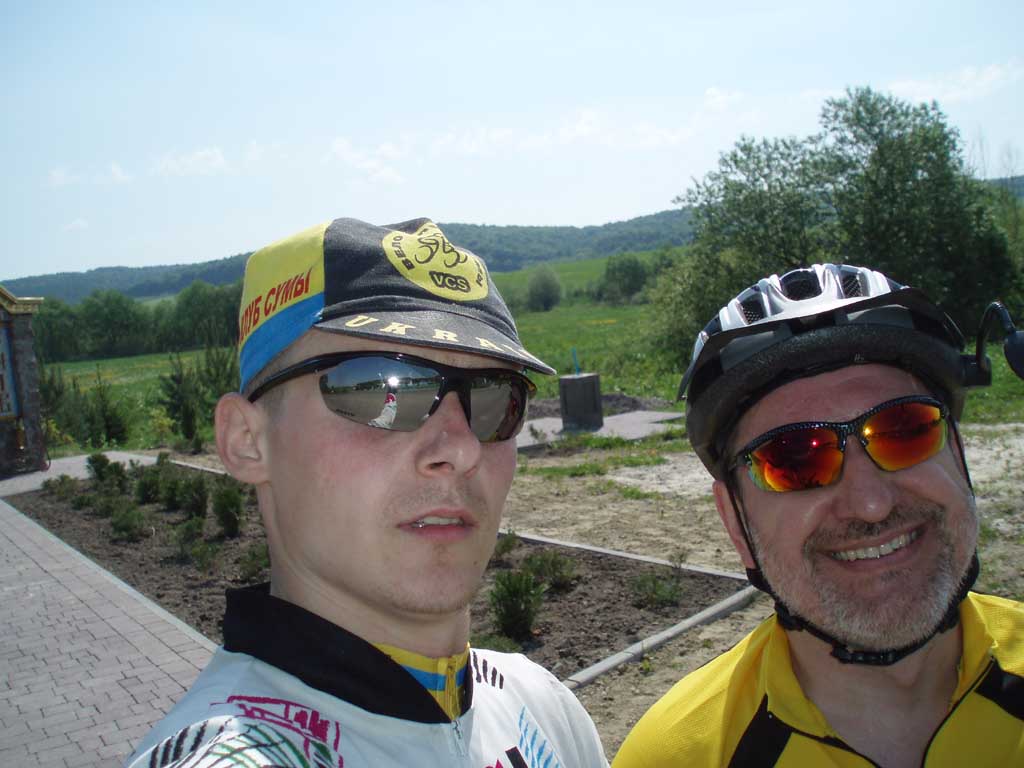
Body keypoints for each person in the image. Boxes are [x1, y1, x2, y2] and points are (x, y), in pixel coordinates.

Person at [126, 217, 609, 767]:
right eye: (383, 390)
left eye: (496, 399)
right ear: (247, 441)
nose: (462, 447)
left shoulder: (544, 707)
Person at [614, 264, 1024, 767]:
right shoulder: (674, 757)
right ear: (736, 523)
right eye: (794, 460)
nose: (871, 503)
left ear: (957, 456)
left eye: (905, 431)